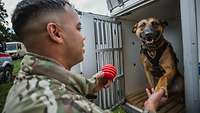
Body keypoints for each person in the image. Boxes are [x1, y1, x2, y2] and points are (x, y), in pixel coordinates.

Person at [2, 0, 164, 113]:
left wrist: (92, 85)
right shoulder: (65, 105)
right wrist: (150, 106)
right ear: (56, 32)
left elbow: (58, 83)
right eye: (78, 28)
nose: (83, 37)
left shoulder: (24, 80)